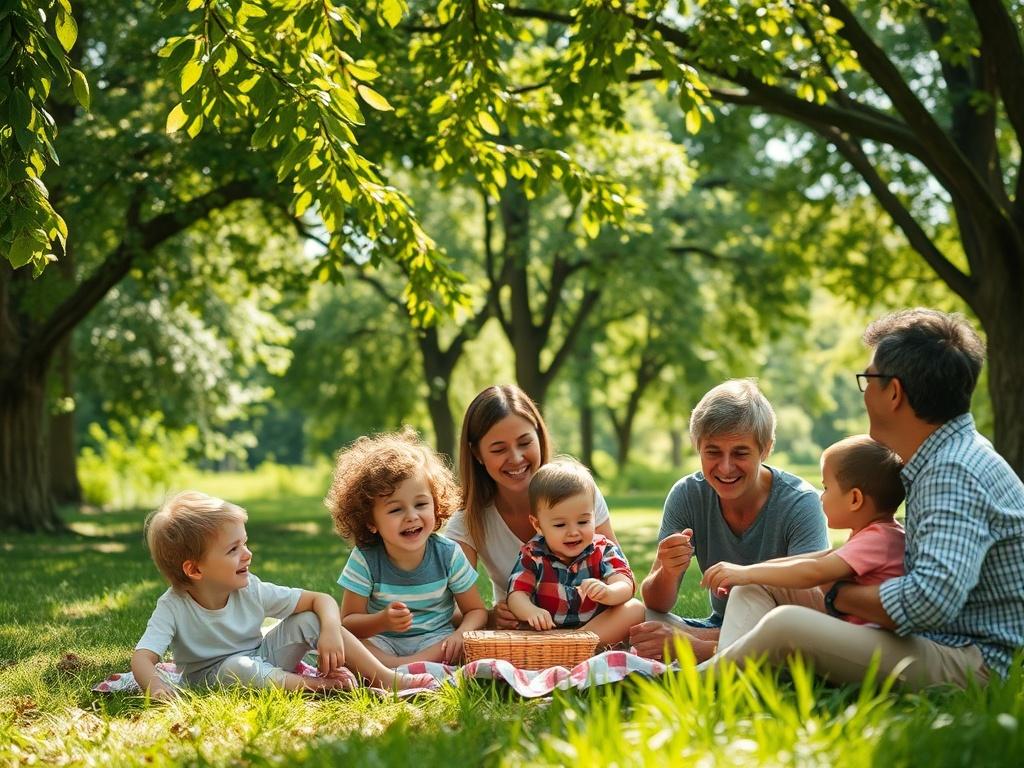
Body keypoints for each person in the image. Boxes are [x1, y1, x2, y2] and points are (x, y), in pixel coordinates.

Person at [702, 308, 1024, 690]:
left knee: (787, 624)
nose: (864, 392)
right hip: (934, 640)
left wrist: (836, 593)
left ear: (893, 392)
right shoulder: (942, 458)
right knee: (757, 586)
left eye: (868, 380)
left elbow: (927, 603)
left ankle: (684, 683)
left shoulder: (953, 471)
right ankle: (730, 683)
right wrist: (758, 572)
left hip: (969, 661)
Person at [131, 491, 435, 699]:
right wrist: (157, 688)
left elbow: (321, 600)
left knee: (307, 618)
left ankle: (385, 677)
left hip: (262, 659)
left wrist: (329, 631)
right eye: (233, 550)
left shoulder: (251, 589)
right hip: (214, 679)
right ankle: (318, 686)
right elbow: (143, 658)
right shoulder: (173, 607)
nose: (247, 554)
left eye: (244, 543)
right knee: (238, 667)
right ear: (195, 570)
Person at [630, 379, 829, 661]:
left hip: (778, 627)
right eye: (713, 452)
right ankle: (712, 647)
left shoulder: (800, 503)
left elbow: (809, 612)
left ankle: (702, 649)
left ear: (766, 448)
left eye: (740, 453)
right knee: (636, 617)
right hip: (718, 625)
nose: (725, 467)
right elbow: (656, 603)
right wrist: (668, 570)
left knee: (791, 632)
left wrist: (690, 641)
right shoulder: (687, 494)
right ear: (696, 446)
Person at [700, 435, 905, 645]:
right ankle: (726, 661)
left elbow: (814, 572)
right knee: (753, 584)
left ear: (855, 499)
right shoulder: (878, 534)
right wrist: (746, 573)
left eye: (826, 488)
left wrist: (746, 573)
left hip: (867, 644)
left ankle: (722, 665)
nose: (821, 497)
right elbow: (815, 559)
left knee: (763, 597)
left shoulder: (878, 539)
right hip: (857, 634)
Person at [445, 384, 619, 627]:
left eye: (525, 442)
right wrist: (491, 616)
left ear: (539, 436)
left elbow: (618, 572)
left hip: (592, 626)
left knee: (641, 613)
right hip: (527, 630)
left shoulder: (579, 493)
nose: (516, 458)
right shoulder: (468, 522)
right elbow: (444, 613)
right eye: (499, 449)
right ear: (477, 454)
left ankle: (577, 648)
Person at [328, 428, 488, 666]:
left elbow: (476, 612)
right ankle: (408, 669)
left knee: (466, 644)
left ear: (435, 505)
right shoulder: (365, 559)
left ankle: (393, 672)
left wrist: (460, 634)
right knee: (340, 639)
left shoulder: (448, 554)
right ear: (371, 522)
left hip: (435, 640)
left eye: (421, 504)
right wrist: (382, 621)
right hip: (382, 642)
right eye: (395, 509)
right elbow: (349, 622)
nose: (412, 516)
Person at [506, 459, 646, 646]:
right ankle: (571, 648)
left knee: (635, 608)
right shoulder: (533, 555)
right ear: (538, 525)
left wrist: (609, 592)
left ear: (594, 517)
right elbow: (516, 594)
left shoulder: (603, 549)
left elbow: (625, 583)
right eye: (560, 524)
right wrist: (531, 611)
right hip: (549, 633)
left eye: (582, 522)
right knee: (519, 626)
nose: (573, 531)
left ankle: (576, 644)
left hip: (595, 629)